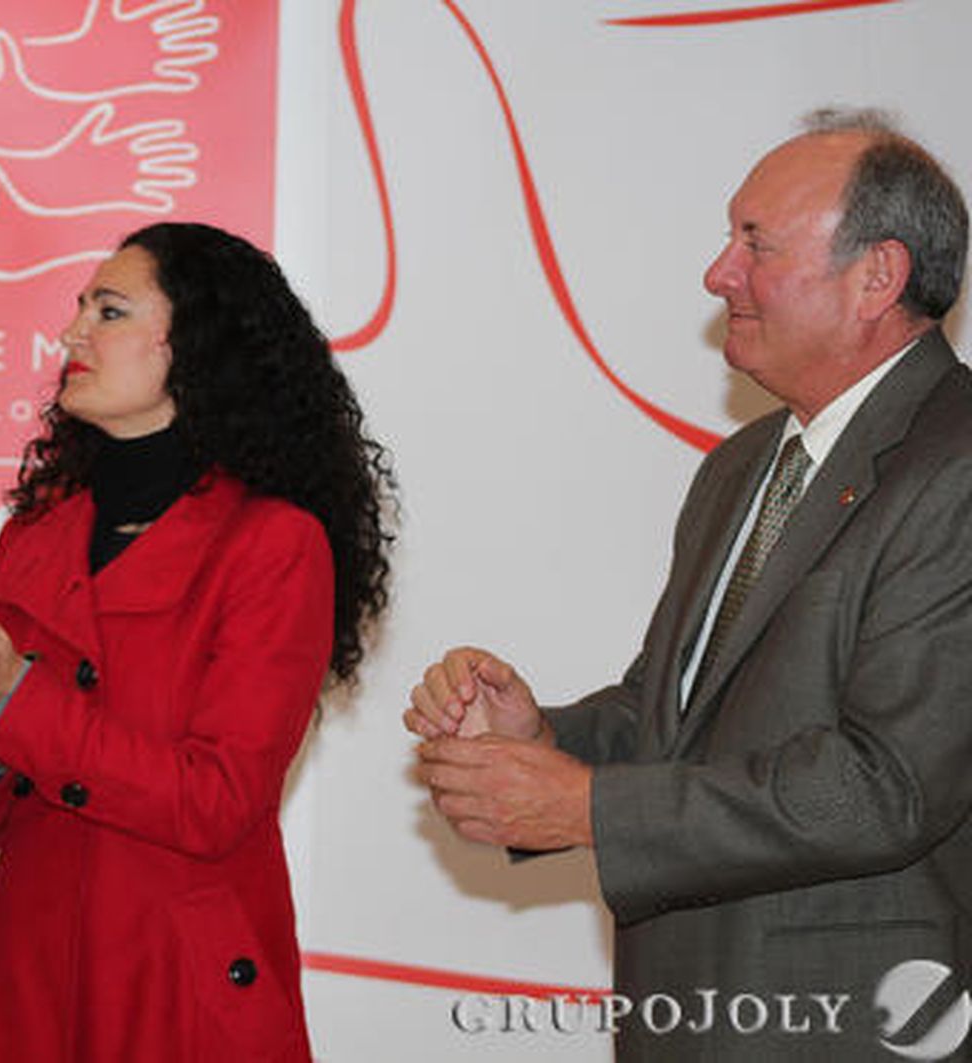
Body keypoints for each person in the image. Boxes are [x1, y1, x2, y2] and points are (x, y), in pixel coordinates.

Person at [407, 109, 972, 1061]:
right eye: (729, 238)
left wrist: (586, 804)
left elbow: (887, 784)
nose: (720, 273)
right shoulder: (743, 464)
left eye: (757, 242)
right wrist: (544, 737)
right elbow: (675, 716)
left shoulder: (955, 464)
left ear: (878, 276)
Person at [0, 222, 396, 1061]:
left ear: (198, 344)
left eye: (110, 310)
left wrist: (15, 702)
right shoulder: (37, 530)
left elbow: (217, 800)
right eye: (80, 307)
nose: (71, 334)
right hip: (29, 988)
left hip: (177, 991)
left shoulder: (273, 542)